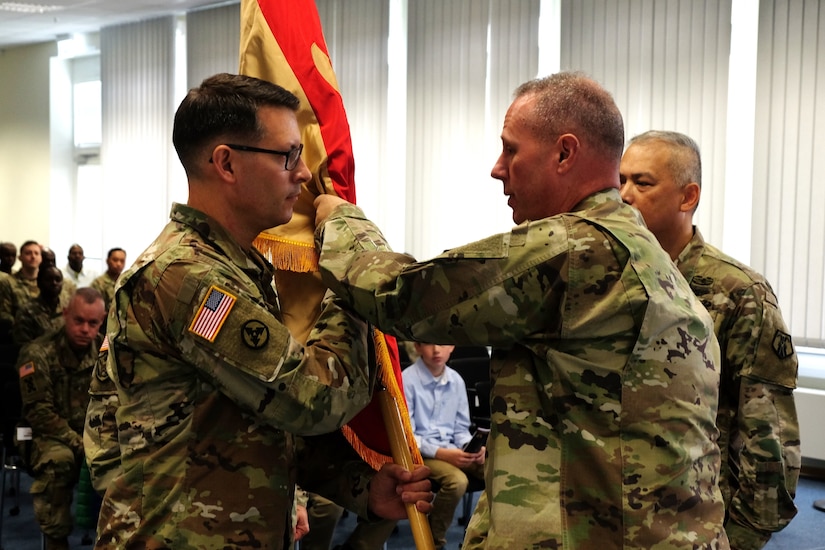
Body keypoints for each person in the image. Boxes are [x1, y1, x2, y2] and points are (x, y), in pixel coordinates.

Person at [314, 71, 729, 548]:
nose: (497, 167)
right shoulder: (642, 250)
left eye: (511, 149)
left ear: (565, 153)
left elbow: (397, 295)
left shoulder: (573, 251)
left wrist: (339, 217)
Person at [87, 73, 432, 549]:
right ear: (226, 163)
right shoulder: (187, 278)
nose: (305, 173)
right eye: (288, 155)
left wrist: (360, 486)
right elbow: (318, 398)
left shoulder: (233, 268)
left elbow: (259, 421)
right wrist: (354, 274)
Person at [619, 130, 801, 548]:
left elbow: (769, 438)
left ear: (688, 197)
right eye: (620, 181)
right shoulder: (614, 280)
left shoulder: (739, 293)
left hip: (697, 527)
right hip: (615, 521)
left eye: (642, 183)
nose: (624, 195)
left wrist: (739, 539)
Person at [17, 287, 106, 550]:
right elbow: (40, 413)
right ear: (66, 314)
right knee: (59, 462)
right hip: (45, 434)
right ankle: (56, 539)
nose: (85, 329)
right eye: (78, 321)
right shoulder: (37, 353)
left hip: (92, 433)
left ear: (102, 321)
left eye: (93, 323)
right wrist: (81, 445)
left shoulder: (105, 350)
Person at [402, 342, 484, 550]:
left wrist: (471, 447)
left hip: (451, 449)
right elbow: (408, 437)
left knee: (494, 468)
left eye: (442, 344)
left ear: (452, 347)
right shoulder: (407, 380)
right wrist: (442, 454)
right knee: (456, 481)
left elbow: (460, 429)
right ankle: (432, 542)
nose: (436, 350)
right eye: (429, 344)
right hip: (421, 454)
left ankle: (485, 535)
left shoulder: (456, 380)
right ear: (418, 347)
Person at [302, 491, 398, 550]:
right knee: (330, 506)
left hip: (351, 467)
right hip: (316, 470)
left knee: (393, 500)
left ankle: (358, 547)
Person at [12, 264, 65, 345]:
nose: (54, 283)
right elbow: (22, 346)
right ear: (39, 283)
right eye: (49, 280)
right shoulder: (27, 311)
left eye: (58, 280)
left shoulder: (68, 308)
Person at [89, 247, 126, 313]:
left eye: (122, 261)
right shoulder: (98, 283)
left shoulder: (126, 282)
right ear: (107, 261)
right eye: (115, 260)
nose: (118, 264)